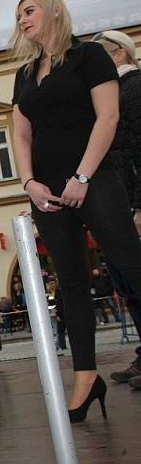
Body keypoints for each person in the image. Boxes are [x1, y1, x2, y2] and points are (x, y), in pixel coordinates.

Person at [11, 0, 141, 422]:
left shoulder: (89, 57)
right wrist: (29, 182)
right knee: (70, 285)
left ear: (53, 11)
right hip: (47, 193)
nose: (22, 20)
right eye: (18, 15)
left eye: (29, 11)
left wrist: (82, 177)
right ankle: (86, 377)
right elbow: (21, 134)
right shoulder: (26, 72)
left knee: (131, 265)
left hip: (95, 179)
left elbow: (108, 118)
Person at [93, 30, 141, 386]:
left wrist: (140, 206)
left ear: (119, 55)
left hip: (133, 203)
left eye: (99, 58)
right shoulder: (102, 98)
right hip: (114, 204)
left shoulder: (135, 88)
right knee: (127, 284)